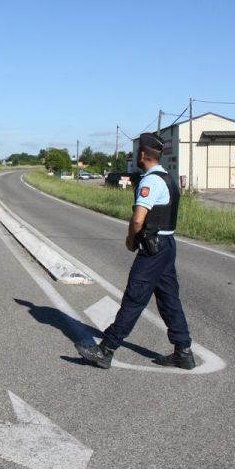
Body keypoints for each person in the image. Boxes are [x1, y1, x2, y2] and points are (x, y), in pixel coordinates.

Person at [76, 132, 195, 370]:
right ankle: (183, 351)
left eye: (136, 151)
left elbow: (139, 219)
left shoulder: (150, 181)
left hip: (153, 248)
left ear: (142, 154)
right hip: (167, 245)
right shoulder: (167, 178)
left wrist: (131, 239)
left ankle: (106, 349)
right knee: (169, 298)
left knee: (134, 298)